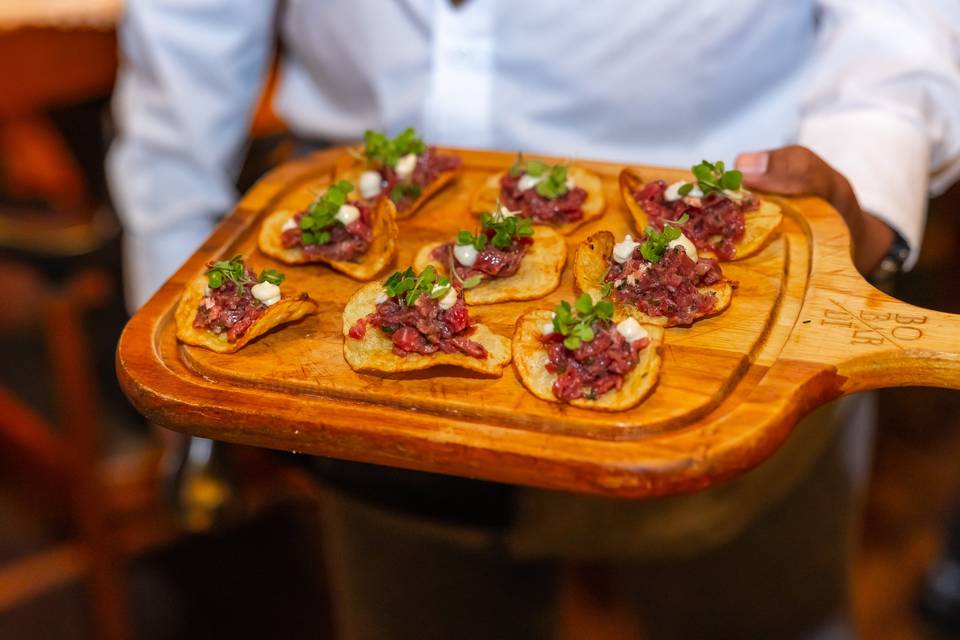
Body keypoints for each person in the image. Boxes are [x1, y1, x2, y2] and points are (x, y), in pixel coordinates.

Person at [107, 1, 960, 638]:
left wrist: (866, 186)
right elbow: (186, 34)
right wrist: (181, 318)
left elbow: (897, 21)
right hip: (350, 390)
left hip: (742, 363)